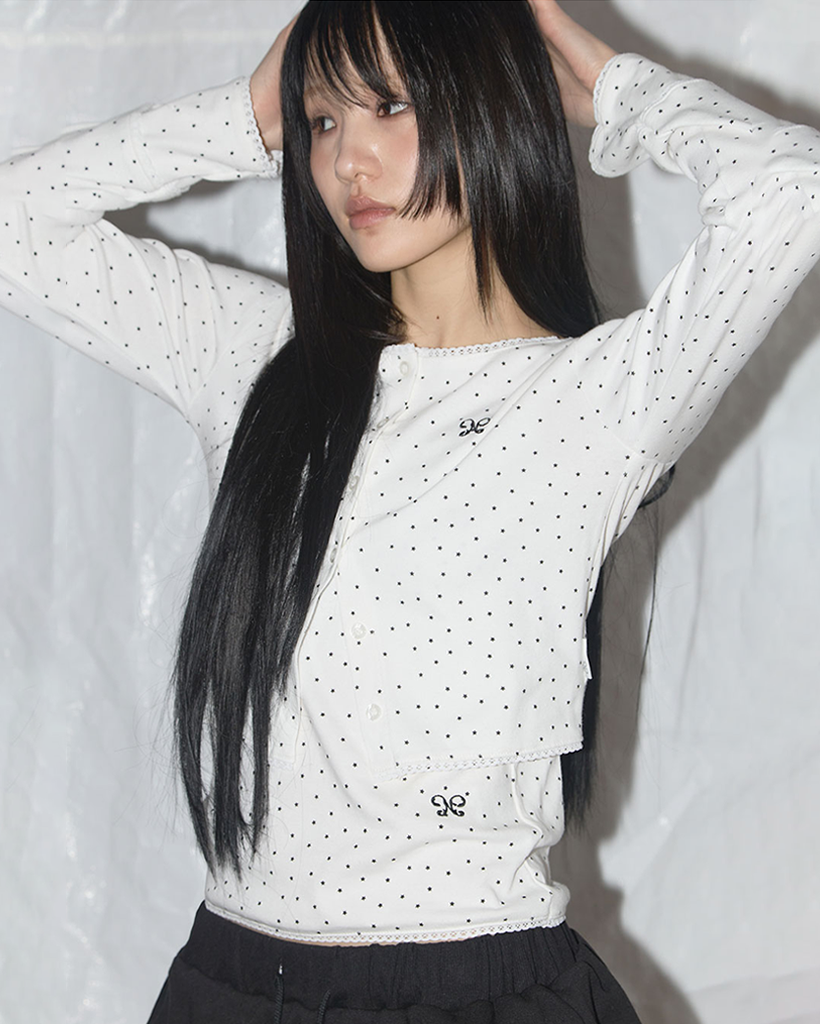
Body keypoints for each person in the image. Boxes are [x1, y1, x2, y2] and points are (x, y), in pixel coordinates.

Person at [0, 1, 818, 1021]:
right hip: (235, 981)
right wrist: (243, 116)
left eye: (391, 104)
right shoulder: (255, 359)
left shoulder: (594, 400)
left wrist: (616, 92)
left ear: (490, 101)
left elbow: (791, 190)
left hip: (475, 986)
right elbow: (15, 225)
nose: (348, 160)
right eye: (322, 119)